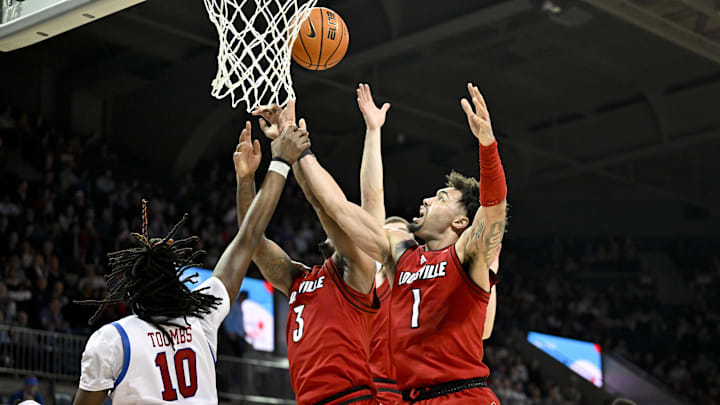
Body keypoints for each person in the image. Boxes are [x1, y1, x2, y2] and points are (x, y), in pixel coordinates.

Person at [297, 83, 508, 404]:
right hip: (409, 398)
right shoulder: (401, 255)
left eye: (440, 198)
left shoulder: (469, 255)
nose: (425, 201)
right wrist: (300, 151)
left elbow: (494, 209)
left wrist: (488, 145)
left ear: (461, 222)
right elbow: (341, 207)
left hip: (463, 394)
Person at [72, 124, 310, 405]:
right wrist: (266, 169)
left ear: (132, 292)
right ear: (175, 281)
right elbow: (248, 236)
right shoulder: (201, 316)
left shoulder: (112, 339)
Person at [236, 100, 379, 405]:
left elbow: (324, 204)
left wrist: (292, 148)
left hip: (351, 398)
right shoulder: (299, 278)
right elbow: (253, 243)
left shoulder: (359, 270)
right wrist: (245, 180)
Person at [223, 290, 249, 356]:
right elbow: (228, 319)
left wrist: (243, 331)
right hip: (234, 335)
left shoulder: (240, 306)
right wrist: (230, 332)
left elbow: (239, 321)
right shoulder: (233, 305)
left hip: (239, 334)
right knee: (234, 354)